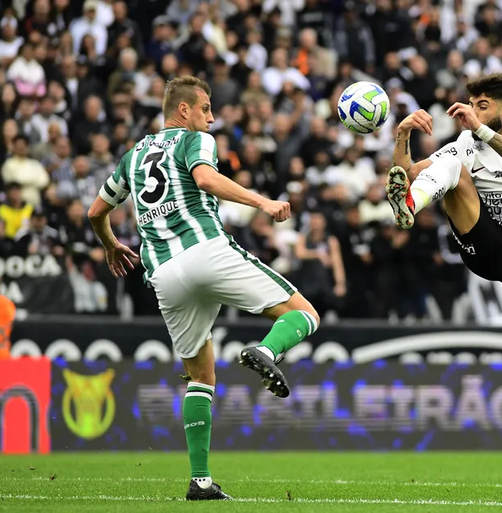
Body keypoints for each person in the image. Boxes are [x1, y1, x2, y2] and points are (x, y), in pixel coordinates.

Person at [86, 76, 319, 501]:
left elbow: (95, 211)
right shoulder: (194, 140)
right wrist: (263, 202)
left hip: (163, 273)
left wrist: (110, 244)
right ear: (184, 111)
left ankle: (201, 481)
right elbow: (207, 180)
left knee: (200, 376)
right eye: (205, 108)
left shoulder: (132, 156)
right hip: (206, 250)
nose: (211, 118)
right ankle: (267, 351)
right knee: (304, 313)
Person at [386, 74, 502, 485]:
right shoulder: (465, 142)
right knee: (451, 165)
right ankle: (410, 208)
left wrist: (479, 128)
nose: (472, 110)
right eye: (471, 103)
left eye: (482, 104)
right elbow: (406, 171)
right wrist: (402, 135)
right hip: (481, 239)